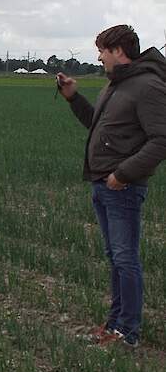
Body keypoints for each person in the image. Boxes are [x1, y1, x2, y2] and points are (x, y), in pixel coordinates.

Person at [57, 25, 166, 350]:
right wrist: (73, 98)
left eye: (102, 51)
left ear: (118, 50)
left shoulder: (147, 86)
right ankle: (115, 323)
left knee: (125, 258)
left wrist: (123, 174)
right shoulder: (117, 85)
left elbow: (161, 140)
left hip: (122, 188)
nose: (99, 57)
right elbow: (100, 126)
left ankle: (127, 331)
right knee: (116, 257)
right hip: (104, 184)